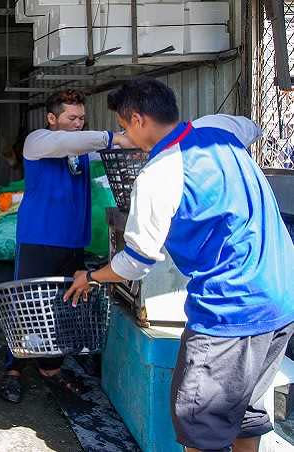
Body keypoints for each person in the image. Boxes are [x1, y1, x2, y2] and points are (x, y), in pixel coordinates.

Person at [65, 78, 294, 452]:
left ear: (137, 119)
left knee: (200, 429)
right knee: (244, 412)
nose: (126, 137)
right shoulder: (219, 129)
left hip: (229, 311)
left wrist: (92, 276)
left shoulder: (159, 173)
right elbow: (252, 126)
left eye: (124, 128)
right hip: (282, 298)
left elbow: (137, 261)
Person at [1, 89, 135, 403]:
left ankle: (51, 367)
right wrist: (114, 137)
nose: (77, 124)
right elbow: (65, 143)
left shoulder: (82, 151)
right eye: (71, 117)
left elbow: (87, 149)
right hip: (39, 239)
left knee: (65, 306)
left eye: (81, 119)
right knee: (27, 305)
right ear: (52, 118)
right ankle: (14, 368)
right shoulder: (38, 141)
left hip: (74, 242)